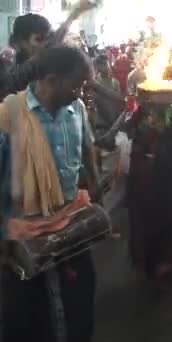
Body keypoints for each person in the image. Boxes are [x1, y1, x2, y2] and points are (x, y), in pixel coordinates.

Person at [0, 45, 98, 342]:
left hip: (71, 234)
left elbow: (85, 155)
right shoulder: (9, 116)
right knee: (30, 317)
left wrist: (92, 194)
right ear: (51, 80)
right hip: (23, 239)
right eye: (76, 85)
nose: (80, 93)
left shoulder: (77, 111)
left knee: (78, 309)